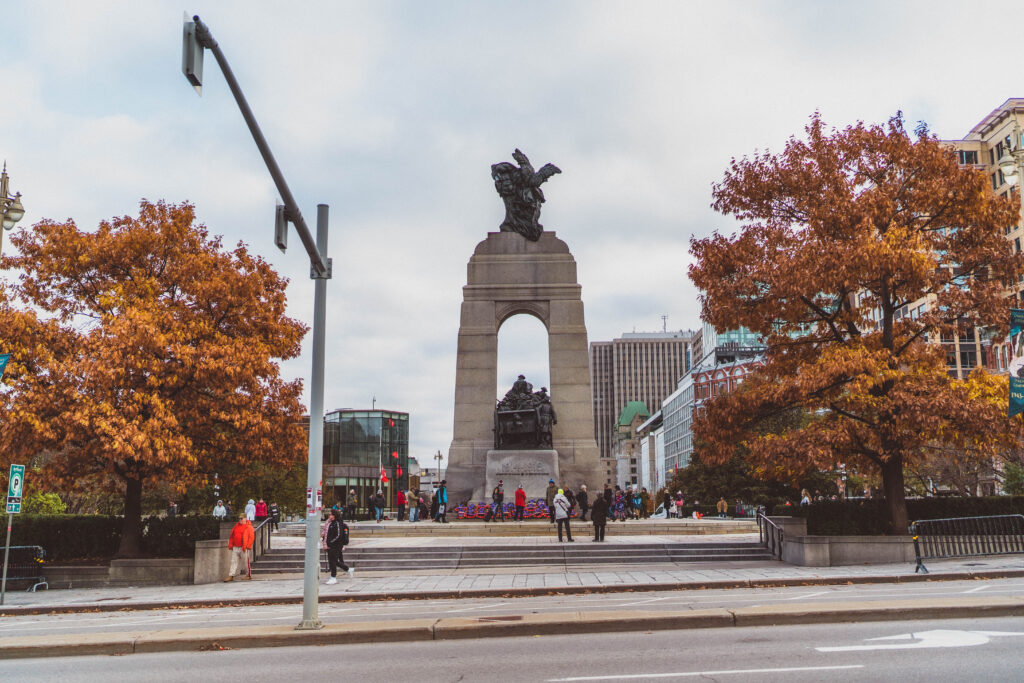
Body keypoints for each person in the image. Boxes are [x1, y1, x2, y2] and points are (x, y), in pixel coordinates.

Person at [324, 508, 353, 583]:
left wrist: (331, 542)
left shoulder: (337, 523)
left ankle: (333, 577)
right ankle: (347, 569)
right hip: (331, 545)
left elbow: (338, 535)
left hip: (336, 545)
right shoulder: (331, 523)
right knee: (333, 561)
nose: (329, 515)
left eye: (330, 514)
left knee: (333, 561)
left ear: (333, 515)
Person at [225, 513, 254, 581]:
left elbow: (251, 537)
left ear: (245, 518)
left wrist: (247, 546)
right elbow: (232, 535)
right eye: (239, 518)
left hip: (243, 547)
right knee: (233, 561)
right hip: (235, 546)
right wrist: (231, 545)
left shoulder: (249, 527)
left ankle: (248, 575)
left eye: (241, 518)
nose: (240, 520)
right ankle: (231, 575)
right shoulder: (236, 526)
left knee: (246, 562)